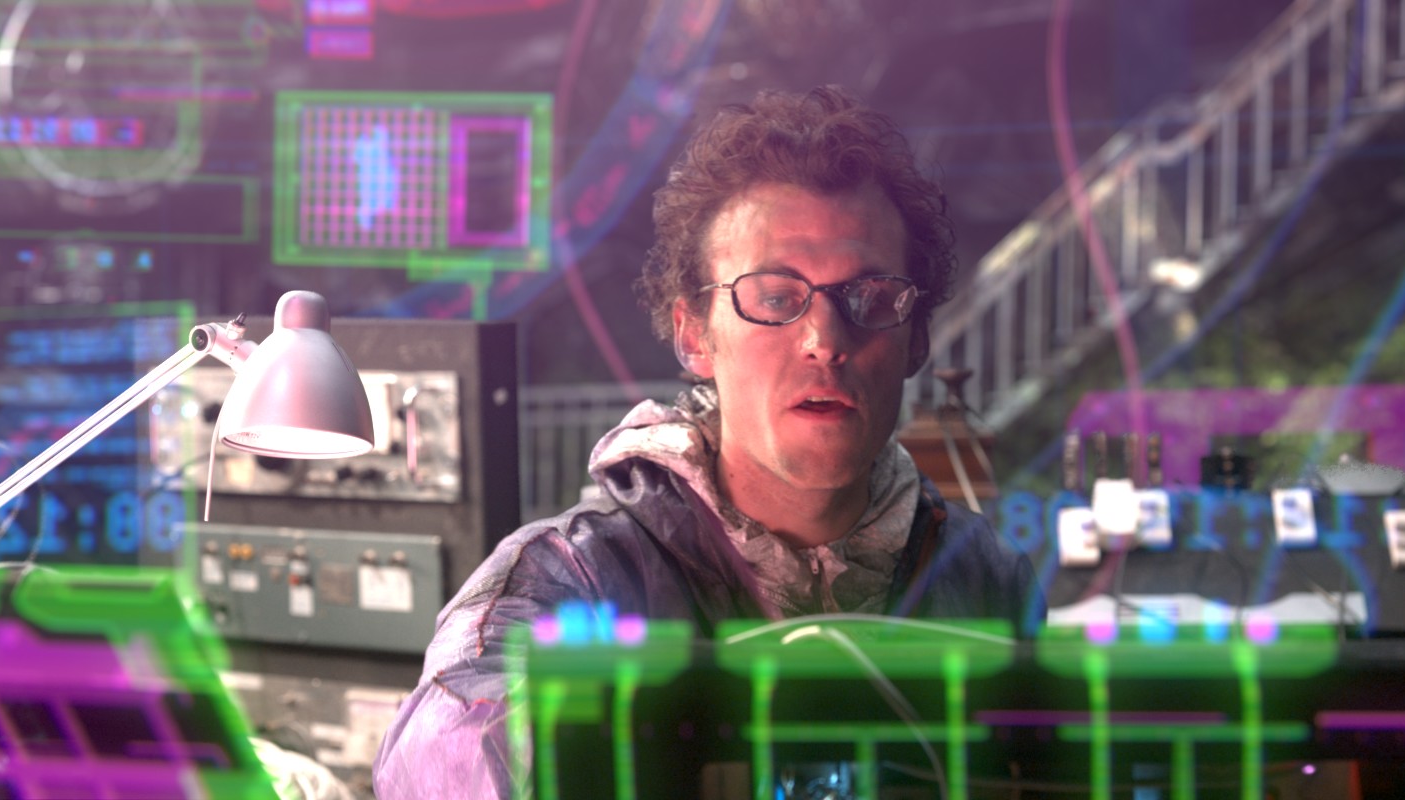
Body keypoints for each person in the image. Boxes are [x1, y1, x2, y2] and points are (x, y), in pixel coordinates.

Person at [371, 85, 1036, 798]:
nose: (824, 340)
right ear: (694, 336)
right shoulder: (572, 580)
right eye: (775, 298)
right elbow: (442, 750)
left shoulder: (980, 576)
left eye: (871, 297)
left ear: (916, 338)